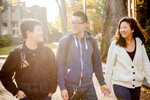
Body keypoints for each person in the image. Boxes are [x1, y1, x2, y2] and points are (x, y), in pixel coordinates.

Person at [56, 11, 110, 100]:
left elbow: (97, 63)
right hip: (70, 87)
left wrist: (102, 83)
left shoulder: (92, 42)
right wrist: (62, 87)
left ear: (84, 24)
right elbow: (59, 65)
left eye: (76, 23)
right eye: (72, 22)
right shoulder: (64, 42)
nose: (73, 25)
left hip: (88, 86)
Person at [0, 19, 58, 100]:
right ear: (29, 33)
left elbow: (54, 71)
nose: (42, 33)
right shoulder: (15, 54)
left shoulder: (48, 52)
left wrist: (51, 91)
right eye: (39, 30)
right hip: (25, 98)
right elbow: (4, 75)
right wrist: (16, 91)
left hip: (45, 96)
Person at [105, 17, 150, 100]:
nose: (122, 30)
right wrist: (107, 84)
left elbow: (146, 63)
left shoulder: (139, 42)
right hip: (120, 84)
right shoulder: (115, 44)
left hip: (136, 85)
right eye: (120, 28)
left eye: (125, 27)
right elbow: (109, 65)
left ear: (132, 29)